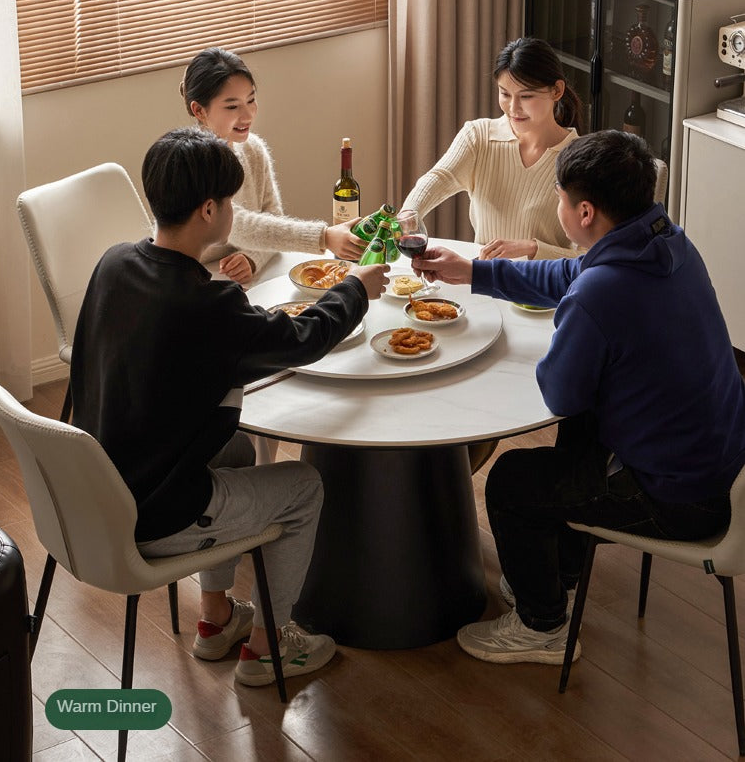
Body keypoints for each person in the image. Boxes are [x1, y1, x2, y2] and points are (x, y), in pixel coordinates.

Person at [70, 127, 389, 687]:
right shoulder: (206, 304)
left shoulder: (115, 262)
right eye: (232, 202)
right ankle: (269, 649)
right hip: (153, 513)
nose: (234, 212)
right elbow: (305, 339)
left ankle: (216, 621)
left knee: (236, 447)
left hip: (97, 490)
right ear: (210, 209)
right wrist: (357, 288)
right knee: (304, 487)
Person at [412, 129, 745, 665]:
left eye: (560, 199)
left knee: (511, 481)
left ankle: (543, 626)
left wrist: (565, 339)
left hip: (681, 499)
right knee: (581, 432)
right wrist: (475, 272)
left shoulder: (600, 294)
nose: (557, 207)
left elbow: (558, 392)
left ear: (585, 212)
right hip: (719, 462)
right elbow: (574, 272)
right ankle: (560, 574)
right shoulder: (666, 242)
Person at [181, 47, 367, 285]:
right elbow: (235, 224)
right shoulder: (192, 160)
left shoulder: (253, 149)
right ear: (199, 110)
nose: (247, 115)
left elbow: (272, 219)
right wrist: (324, 237)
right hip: (189, 277)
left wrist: (251, 258)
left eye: (251, 100)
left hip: (229, 277)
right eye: (232, 106)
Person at [402, 36, 583, 261]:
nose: (513, 108)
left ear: (556, 91)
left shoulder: (580, 159)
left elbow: (590, 259)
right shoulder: (479, 136)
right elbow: (439, 177)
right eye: (505, 94)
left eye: (526, 96)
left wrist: (533, 248)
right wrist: (408, 216)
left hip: (541, 289)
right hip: (483, 280)